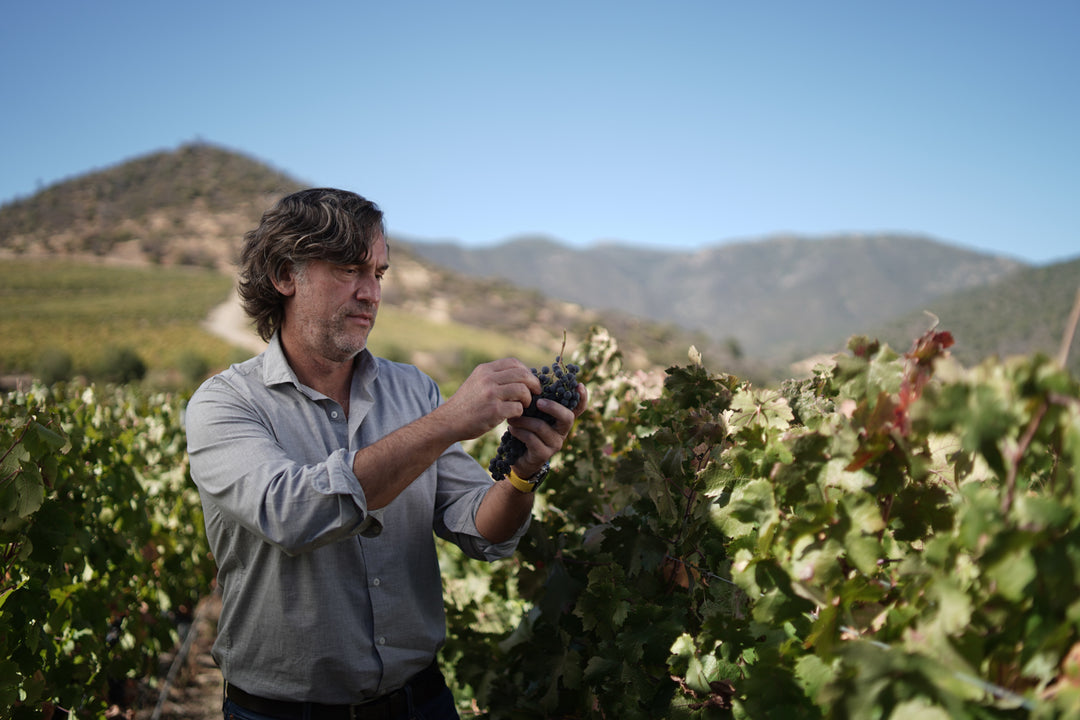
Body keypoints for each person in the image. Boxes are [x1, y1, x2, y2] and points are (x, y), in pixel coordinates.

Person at [184, 188, 587, 720]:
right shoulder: (225, 404)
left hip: (419, 703)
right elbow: (293, 514)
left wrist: (523, 471)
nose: (370, 292)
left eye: (378, 273)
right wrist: (449, 421)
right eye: (349, 270)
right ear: (285, 276)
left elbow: (480, 528)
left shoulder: (413, 391)